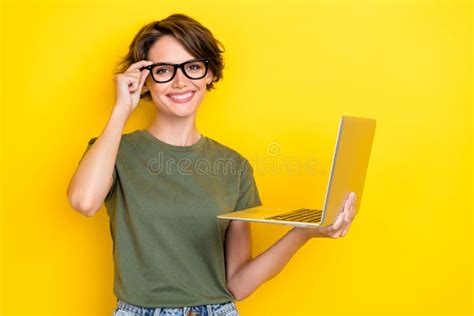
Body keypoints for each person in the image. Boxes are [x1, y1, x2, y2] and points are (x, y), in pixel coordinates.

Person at [66, 13, 357, 316]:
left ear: (209, 75)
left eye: (193, 67)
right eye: (164, 70)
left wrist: (304, 232)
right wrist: (121, 110)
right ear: (144, 79)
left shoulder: (234, 166)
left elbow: (238, 284)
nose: (180, 82)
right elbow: (84, 201)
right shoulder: (115, 151)